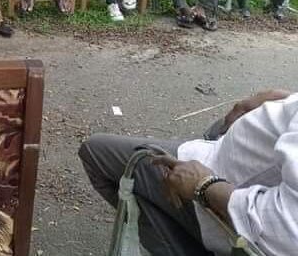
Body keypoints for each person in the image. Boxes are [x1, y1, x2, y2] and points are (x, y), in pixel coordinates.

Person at [79, 89, 298, 256]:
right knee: (214, 130)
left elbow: (287, 230)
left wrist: (205, 185)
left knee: (95, 153)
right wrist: (287, 100)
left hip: (221, 200)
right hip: (218, 154)